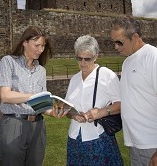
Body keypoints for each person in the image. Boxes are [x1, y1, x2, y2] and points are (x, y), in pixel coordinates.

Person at [0, 26, 60, 166]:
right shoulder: (8, 62)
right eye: (37, 45)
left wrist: (53, 111)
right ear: (25, 42)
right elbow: (5, 96)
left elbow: (41, 104)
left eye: (43, 46)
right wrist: (33, 96)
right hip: (14, 123)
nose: (40, 50)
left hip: (38, 126)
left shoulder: (41, 70)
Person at [65, 35, 123, 166]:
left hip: (99, 138)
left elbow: (121, 104)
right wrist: (73, 114)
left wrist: (101, 112)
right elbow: (67, 108)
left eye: (87, 59)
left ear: (96, 56)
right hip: (75, 137)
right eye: (79, 58)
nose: (82, 63)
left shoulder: (107, 75)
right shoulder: (74, 79)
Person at [110, 16, 157, 166]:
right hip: (134, 143)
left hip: (152, 144)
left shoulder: (152, 57)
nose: (116, 47)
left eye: (119, 42)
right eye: (114, 42)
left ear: (135, 37)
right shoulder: (127, 62)